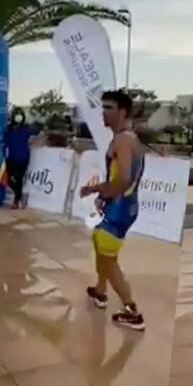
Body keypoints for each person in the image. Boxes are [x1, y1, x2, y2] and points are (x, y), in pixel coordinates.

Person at [80, 90, 146, 330]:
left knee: (108, 261)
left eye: (108, 108)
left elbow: (124, 180)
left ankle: (132, 310)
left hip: (119, 208)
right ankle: (99, 292)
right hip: (122, 206)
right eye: (103, 107)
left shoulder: (123, 140)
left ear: (123, 112)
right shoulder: (128, 138)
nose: (103, 113)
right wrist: (103, 195)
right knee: (102, 249)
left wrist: (98, 190)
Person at [3, 108, 39, 209]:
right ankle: (19, 195)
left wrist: (34, 142)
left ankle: (16, 201)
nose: (18, 117)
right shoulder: (9, 130)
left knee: (18, 180)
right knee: (8, 179)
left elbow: (38, 132)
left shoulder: (26, 128)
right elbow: (5, 144)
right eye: (16, 115)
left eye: (20, 115)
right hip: (11, 158)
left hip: (23, 158)